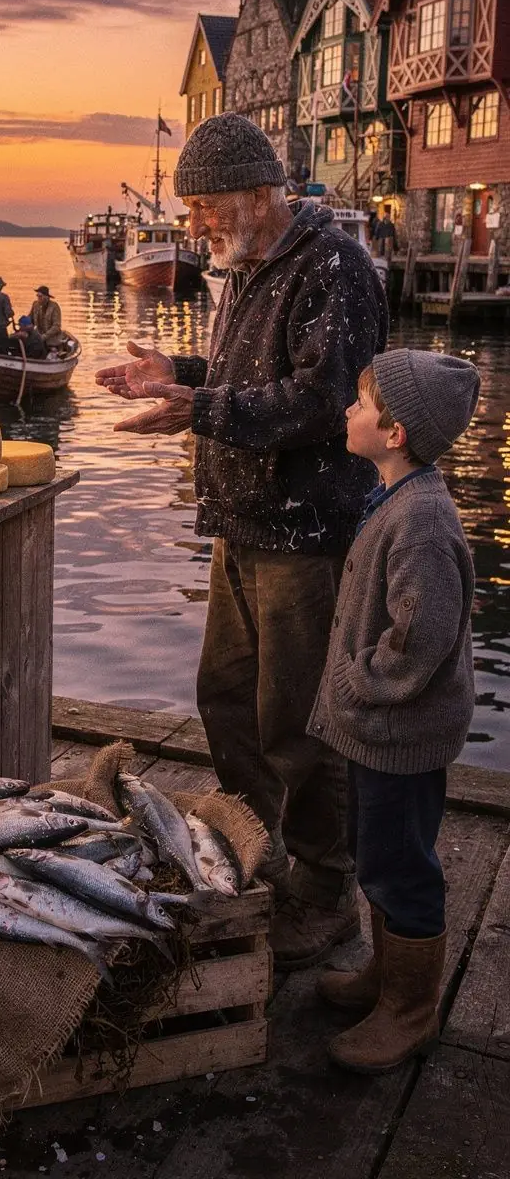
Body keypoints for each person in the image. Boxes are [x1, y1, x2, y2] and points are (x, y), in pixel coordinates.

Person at [96, 113, 389, 966]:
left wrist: (202, 409)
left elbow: (324, 403)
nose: (193, 228)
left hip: (305, 533)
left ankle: (326, 891)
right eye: (188, 211)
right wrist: (177, 375)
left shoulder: (335, 268)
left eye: (205, 207)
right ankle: (257, 855)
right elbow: (241, 382)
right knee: (226, 701)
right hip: (242, 524)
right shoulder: (250, 266)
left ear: (261, 195)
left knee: (298, 722)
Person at [308, 350, 479, 1072]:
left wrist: (358, 681)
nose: (348, 412)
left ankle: (410, 1012)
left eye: (361, 403)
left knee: (400, 866)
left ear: (396, 432)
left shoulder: (421, 522)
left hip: (398, 730)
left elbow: (420, 639)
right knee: (376, 854)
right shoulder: (392, 497)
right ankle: (386, 979)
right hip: (377, 730)